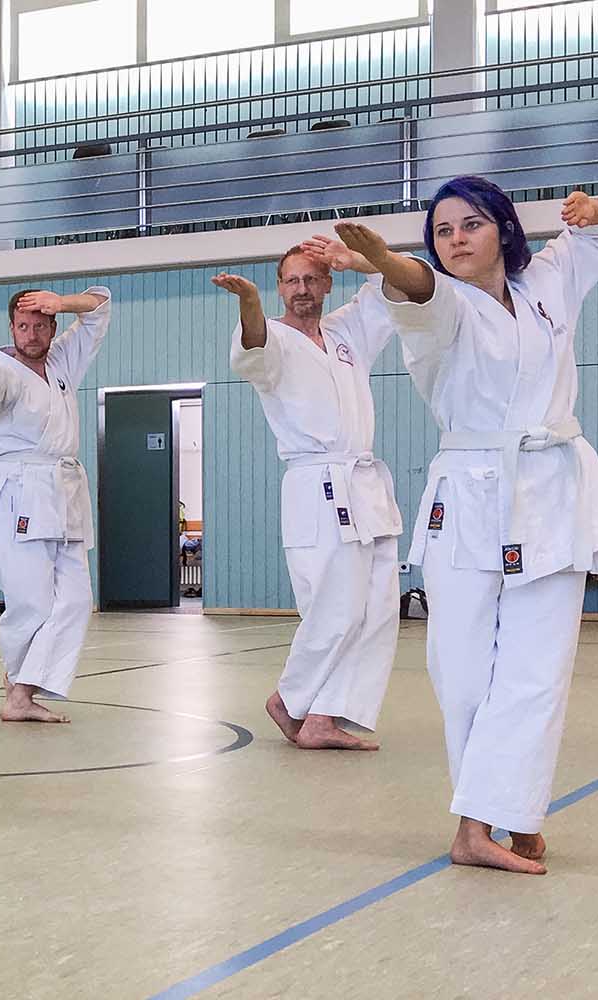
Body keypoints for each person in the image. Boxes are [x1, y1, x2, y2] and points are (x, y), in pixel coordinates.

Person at [334, 180, 598, 875]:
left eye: (470, 225)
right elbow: (418, 288)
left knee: (537, 669)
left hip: (552, 490)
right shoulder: (439, 305)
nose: (456, 239)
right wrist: (384, 257)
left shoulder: (546, 282)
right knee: (462, 668)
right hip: (465, 496)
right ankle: (493, 814)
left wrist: (597, 209)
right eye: (441, 231)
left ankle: (499, 819)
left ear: (502, 228)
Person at [213, 238, 402, 752]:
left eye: (312, 278)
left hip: (364, 483)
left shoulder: (346, 331)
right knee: (335, 608)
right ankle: (290, 698)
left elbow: (395, 286)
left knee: (378, 608)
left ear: (327, 282)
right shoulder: (270, 335)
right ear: (279, 288)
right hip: (316, 484)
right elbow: (251, 349)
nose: (302, 289)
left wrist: (359, 258)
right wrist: (249, 303)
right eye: (292, 281)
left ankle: (324, 717)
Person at [0, 286, 112, 725]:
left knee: (78, 600)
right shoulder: (3, 370)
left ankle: (20, 690)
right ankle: (19, 690)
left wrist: (63, 301)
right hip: (20, 490)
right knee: (32, 604)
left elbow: (100, 307)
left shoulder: (62, 361)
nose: (31, 333)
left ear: (52, 326)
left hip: (66, 491)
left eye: (40, 325)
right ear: (11, 329)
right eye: (23, 325)